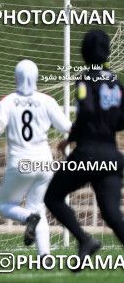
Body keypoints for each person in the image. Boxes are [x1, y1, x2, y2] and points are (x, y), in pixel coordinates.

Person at [44, 30, 124, 269]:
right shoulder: (116, 83)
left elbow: (85, 111)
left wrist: (70, 139)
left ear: (85, 52)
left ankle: (84, 239)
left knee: (52, 196)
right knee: (111, 214)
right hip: (111, 155)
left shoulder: (84, 81)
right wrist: (108, 124)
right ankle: (86, 242)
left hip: (88, 154)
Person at [0, 59, 71, 257]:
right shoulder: (47, 101)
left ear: (16, 77)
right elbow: (68, 128)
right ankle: (45, 256)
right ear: (36, 77)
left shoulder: (7, 101)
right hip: (44, 162)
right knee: (38, 208)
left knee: (6, 205)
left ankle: (28, 218)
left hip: (20, 163)